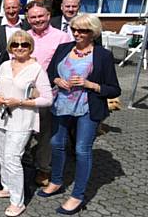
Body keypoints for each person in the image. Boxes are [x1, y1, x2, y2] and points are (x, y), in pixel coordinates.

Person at [38, 14, 121, 215]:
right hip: (61, 105)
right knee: (57, 143)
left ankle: (77, 195)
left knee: (82, 149)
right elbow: (50, 74)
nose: (77, 33)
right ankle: (57, 181)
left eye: (83, 30)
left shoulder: (102, 55)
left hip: (87, 108)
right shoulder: (64, 48)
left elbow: (114, 89)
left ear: (93, 33)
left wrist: (89, 84)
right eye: (75, 29)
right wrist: (57, 80)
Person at [0, 30, 53, 217]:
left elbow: (47, 99)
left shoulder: (36, 69)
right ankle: (7, 186)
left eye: (24, 44)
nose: (19, 48)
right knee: (1, 155)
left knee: (12, 158)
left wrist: (20, 102)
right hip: (1, 116)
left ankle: (18, 201)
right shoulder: (4, 65)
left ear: (30, 47)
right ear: (10, 47)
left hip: (22, 119)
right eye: (15, 44)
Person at [25, 1, 71, 187]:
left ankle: (43, 169)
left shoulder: (62, 37)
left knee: (45, 134)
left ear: (48, 15)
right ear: (28, 19)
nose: (37, 20)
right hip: (24, 94)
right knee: (24, 131)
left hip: (49, 93)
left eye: (40, 16)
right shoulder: (24, 36)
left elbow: (68, 65)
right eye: (33, 17)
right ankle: (23, 162)